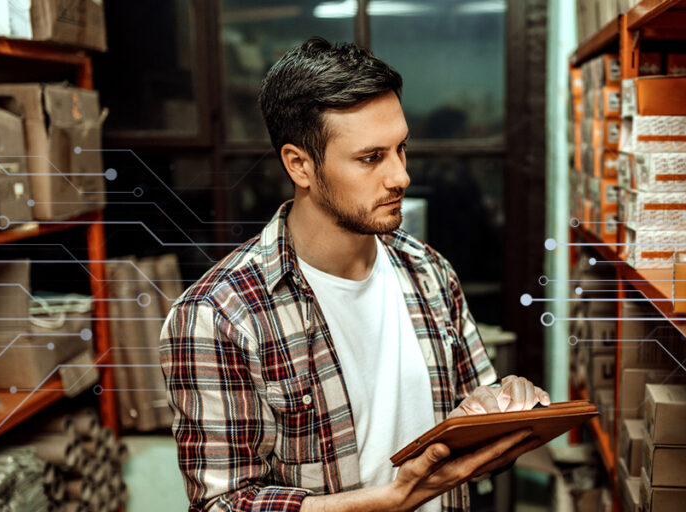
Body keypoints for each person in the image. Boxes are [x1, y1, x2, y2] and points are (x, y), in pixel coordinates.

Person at [159, 37, 550, 512]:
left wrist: (504, 411)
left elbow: (475, 432)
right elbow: (224, 504)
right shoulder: (219, 316)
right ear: (299, 165)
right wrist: (389, 502)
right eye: (371, 158)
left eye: (401, 149)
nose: (401, 176)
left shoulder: (428, 272)